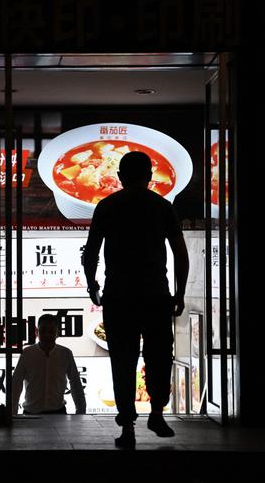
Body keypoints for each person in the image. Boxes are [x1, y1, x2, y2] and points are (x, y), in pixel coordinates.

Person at [82, 151, 189, 448]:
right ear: (150, 177)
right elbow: (180, 252)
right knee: (158, 356)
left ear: (119, 177)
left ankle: (127, 427)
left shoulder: (106, 206)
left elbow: (90, 253)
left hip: (119, 296)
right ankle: (156, 413)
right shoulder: (162, 206)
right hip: (155, 294)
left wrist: (93, 286)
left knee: (123, 361)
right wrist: (179, 293)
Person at [12, 314, 86, 416]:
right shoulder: (27, 353)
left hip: (59, 413)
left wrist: (81, 412)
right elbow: (16, 385)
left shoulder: (65, 353)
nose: (47, 334)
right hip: (31, 414)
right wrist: (12, 413)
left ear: (57, 333)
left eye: (51, 331)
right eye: (43, 330)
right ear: (37, 332)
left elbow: (75, 383)